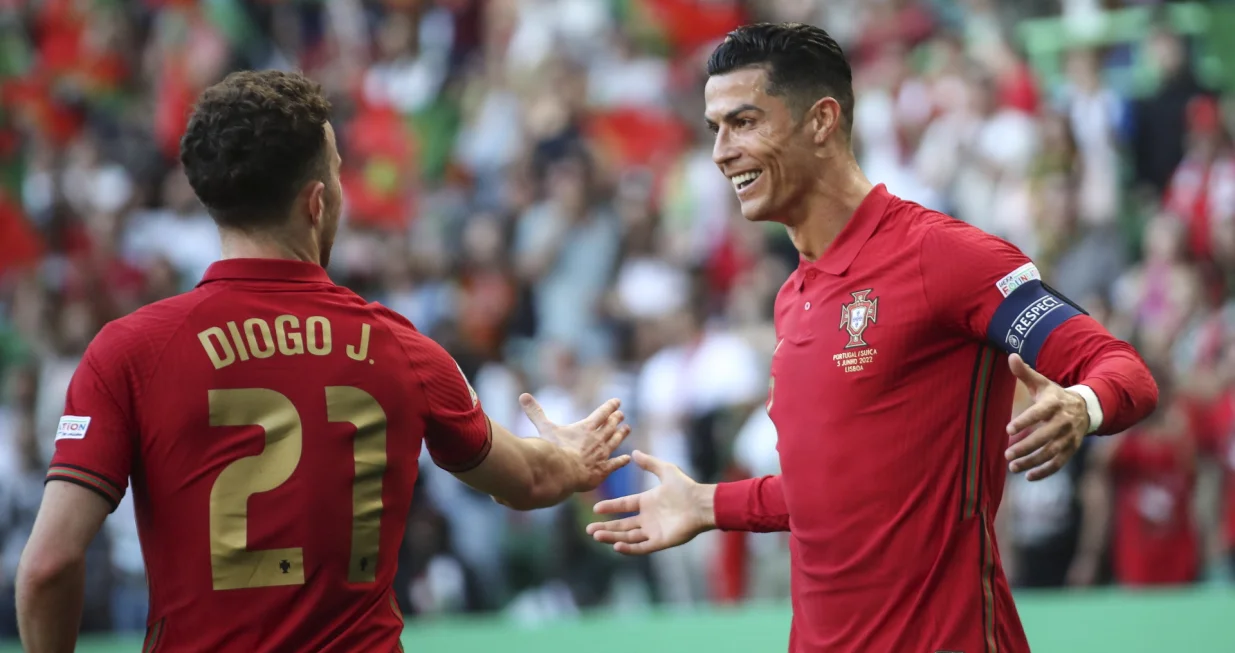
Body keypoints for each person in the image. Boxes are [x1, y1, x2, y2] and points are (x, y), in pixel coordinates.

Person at [587, 23, 1158, 653]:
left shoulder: (944, 257)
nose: (721, 152)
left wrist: (1083, 404)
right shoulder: (793, 297)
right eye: (714, 129)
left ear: (822, 121)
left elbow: (1120, 366)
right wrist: (707, 506)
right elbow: (840, 493)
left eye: (744, 122)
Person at [15, 70, 632, 653]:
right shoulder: (400, 347)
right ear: (316, 203)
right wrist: (573, 456)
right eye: (338, 175)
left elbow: (47, 567)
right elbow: (528, 478)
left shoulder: (129, 351)